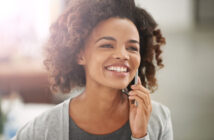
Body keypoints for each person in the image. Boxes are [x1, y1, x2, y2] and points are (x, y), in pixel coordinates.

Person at [12, 0, 173, 140]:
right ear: (80, 54)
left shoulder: (158, 119)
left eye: (132, 48)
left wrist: (140, 135)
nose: (123, 55)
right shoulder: (43, 129)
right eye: (107, 45)